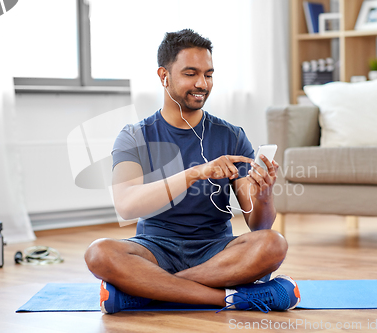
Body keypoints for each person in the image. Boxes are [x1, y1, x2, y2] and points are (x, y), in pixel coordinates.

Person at [85, 29, 300, 314]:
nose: (202, 83)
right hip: (154, 249)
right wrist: (194, 173)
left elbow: (259, 227)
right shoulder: (134, 136)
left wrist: (264, 197)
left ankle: (147, 292)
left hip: (217, 252)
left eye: (208, 74)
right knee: (99, 253)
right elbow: (126, 206)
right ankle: (233, 298)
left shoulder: (231, 136)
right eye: (190, 73)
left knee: (274, 244)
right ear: (164, 76)